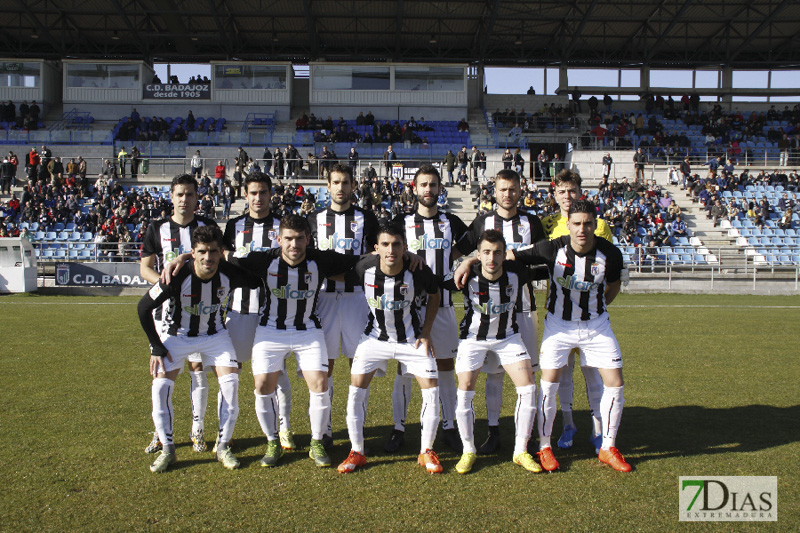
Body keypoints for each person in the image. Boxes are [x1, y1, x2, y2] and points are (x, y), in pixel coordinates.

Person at [506, 199, 631, 473]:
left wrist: (596, 309)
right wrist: (468, 263)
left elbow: (613, 285)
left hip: (596, 325)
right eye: (577, 223)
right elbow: (512, 255)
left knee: (615, 382)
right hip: (559, 326)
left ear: (595, 225)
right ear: (569, 224)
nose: (582, 229)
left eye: (588, 223)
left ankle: (608, 447)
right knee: (549, 383)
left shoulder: (610, 253)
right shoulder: (552, 247)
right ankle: (545, 445)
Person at [229, 214, 362, 468]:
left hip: (307, 330)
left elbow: (358, 262)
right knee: (262, 385)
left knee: (320, 382)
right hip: (270, 330)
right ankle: (272, 442)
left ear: (308, 239)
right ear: (278, 239)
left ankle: (316, 441)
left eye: (300, 239)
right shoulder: (263, 260)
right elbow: (227, 259)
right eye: (288, 239)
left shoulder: (319, 259)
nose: (294, 245)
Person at [138, 226, 263, 473]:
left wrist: (232, 258)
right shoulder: (176, 275)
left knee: (231, 385)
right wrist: (156, 346)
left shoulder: (228, 272)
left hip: (216, 336)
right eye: (202, 252)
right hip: (179, 336)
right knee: (160, 387)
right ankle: (168, 450)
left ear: (220, 252)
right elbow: (143, 308)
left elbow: (255, 281)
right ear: (193, 252)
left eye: (214, 252)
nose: (209, 258)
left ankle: (223, 446)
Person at [336, 223, 443, 474]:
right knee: (355, 391)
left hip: (411, 341)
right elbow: (336, 270)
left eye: (396, 244)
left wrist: (426, 331)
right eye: (385, 244)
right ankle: (357, 451)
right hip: (374, 339)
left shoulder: (417, 270)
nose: (391, 249)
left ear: (405, 247)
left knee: (431, 390)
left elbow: (435, 294)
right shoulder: (365, 268)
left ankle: (426, 451)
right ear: (376, 248)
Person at [455, 169, 547, 454]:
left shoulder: (532, 222)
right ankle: (493, 431)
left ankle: (528, 435)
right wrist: (469, 262)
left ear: (521, 191)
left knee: (528, 374)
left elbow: (545, 255)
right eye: (502, 189)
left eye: (513, 189)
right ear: (494, 192)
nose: (508, 194)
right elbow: (461, 250)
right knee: (493, 374)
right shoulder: (484, 221)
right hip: (490, 311)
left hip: (524, 308)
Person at [443, 230, 541, 474]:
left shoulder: (516, 272)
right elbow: (434, 283)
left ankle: (520, 450)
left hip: (508, 338)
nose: (492, 258)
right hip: (473, 339)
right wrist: (466, 262)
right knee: (465, 388)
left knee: (528, 387)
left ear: (504, 254)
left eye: (497, 252)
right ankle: (468, 450)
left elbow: (545, 268)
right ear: (478, 254)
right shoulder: (468, 274)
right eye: (486, 252)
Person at [387, 164, 469, 454]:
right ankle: (399, 429)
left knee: (446, 365)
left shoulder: (451, 222)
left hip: (444, 305)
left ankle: (449, 427)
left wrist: (455, 258)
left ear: (439, 188)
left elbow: (467, 245)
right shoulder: (402, 222)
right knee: (405, 368)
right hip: (409, 308)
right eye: (424, 185)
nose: (428, 190)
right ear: (415, 188)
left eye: (433, 185)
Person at [139, 174, 220, 455]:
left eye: (190, 194)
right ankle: (161, 434)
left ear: (198, 198)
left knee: (198, 370)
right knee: (162, 376)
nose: (184, 200)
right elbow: (145, 268)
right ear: (171, 197)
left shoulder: (207, 227)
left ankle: (198, 430)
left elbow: (217, 263)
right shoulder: (157, 227)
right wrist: (165, 287)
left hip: (199, 313)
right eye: (179, 195)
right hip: (165, 316)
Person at [540, 170, 614, 453]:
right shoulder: (547, 224)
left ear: (580, 193)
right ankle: (568, 424)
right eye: (562, 191)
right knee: (563, 373)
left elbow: (608, 269)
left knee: (593, 372)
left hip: (592, 317)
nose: (567, 196)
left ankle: (598, 429)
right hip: (559, 316)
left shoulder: (600, 225)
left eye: (572, 191)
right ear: (555, 194)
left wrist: (598, 305)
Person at [307, 164, 379, 449]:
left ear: (353, 185)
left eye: (345, 182)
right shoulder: (313, 219)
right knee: (325, 366)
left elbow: (374, 256)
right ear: (328, 186)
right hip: (323, 299)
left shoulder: (367, 218)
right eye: (335, 182)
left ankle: (355, 429)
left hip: (356, 299)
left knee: (358, 365)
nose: (340, 187)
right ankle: (324, 429)